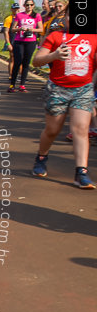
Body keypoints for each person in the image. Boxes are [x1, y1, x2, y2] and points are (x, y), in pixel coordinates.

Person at [30, 11, 96, 189]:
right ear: (65, 18)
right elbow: (36, 61)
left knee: (81, 129)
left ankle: (81, 171)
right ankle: (41, 157)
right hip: (58, 89)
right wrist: (54, 56)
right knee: (52, 130)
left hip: (83, 89)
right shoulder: (56, 36)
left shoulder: (93, 38)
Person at [9, 0, 40, 92]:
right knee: (17, 62)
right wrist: (20, 29)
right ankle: (12, 85)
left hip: (31, 41)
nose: (29, 7)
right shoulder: (19, 15)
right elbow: (12, 29)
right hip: (19, 41)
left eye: (31, 5)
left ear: (33, 6)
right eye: (27, 5)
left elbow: (41, 29)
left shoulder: (37, 16)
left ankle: (22, 85)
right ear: (24, 6)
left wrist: (31, 30)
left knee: (26, 63)